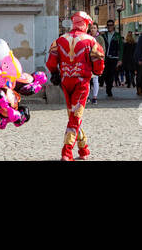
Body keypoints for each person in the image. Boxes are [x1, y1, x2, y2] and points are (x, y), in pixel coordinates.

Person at [45, 10, 104, 161]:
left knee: (73, 114)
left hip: (65, 81)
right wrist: (96, 71)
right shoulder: (91, 41)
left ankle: (83, 148)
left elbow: (51, 61)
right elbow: (98, 63)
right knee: (76, 116)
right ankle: (67, 151)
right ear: (84, 23)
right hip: (81, 82)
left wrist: (55, 72)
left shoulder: (60, 40)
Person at [99, 20, 121, 97]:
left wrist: (120, 59)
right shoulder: (104, 35)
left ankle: (109, 89)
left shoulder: (117, 35)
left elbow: (120, 48)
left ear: (113, 26)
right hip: (105, 57)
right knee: (104, 73)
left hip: (114, 57)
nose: (109, 27)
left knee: (111, 74)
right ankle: (105, 84)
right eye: (108, 25)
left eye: (111, 25)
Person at [87, 23, 101, 104]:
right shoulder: (86, 37)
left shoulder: (100, 38)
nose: (93, 29)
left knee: (95, 79)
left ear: (97, 29)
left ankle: (95, 97)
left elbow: (103, 50)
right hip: (88, 61)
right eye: (91, 28)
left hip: (96, 60)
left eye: (94, 28)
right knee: (87, 79)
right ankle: (87, 96)